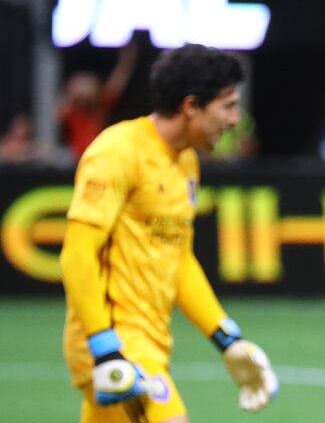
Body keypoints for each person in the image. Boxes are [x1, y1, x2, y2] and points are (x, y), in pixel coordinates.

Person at [60, 44, 278, 423]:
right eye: (227, 106)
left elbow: (178, 259)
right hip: (118, 346)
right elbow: (77, 254)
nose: (233, 120)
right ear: (191, 105)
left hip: (151, 343)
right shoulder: (117, 152)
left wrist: (227, 338)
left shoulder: (186, 162)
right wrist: (105, 348)